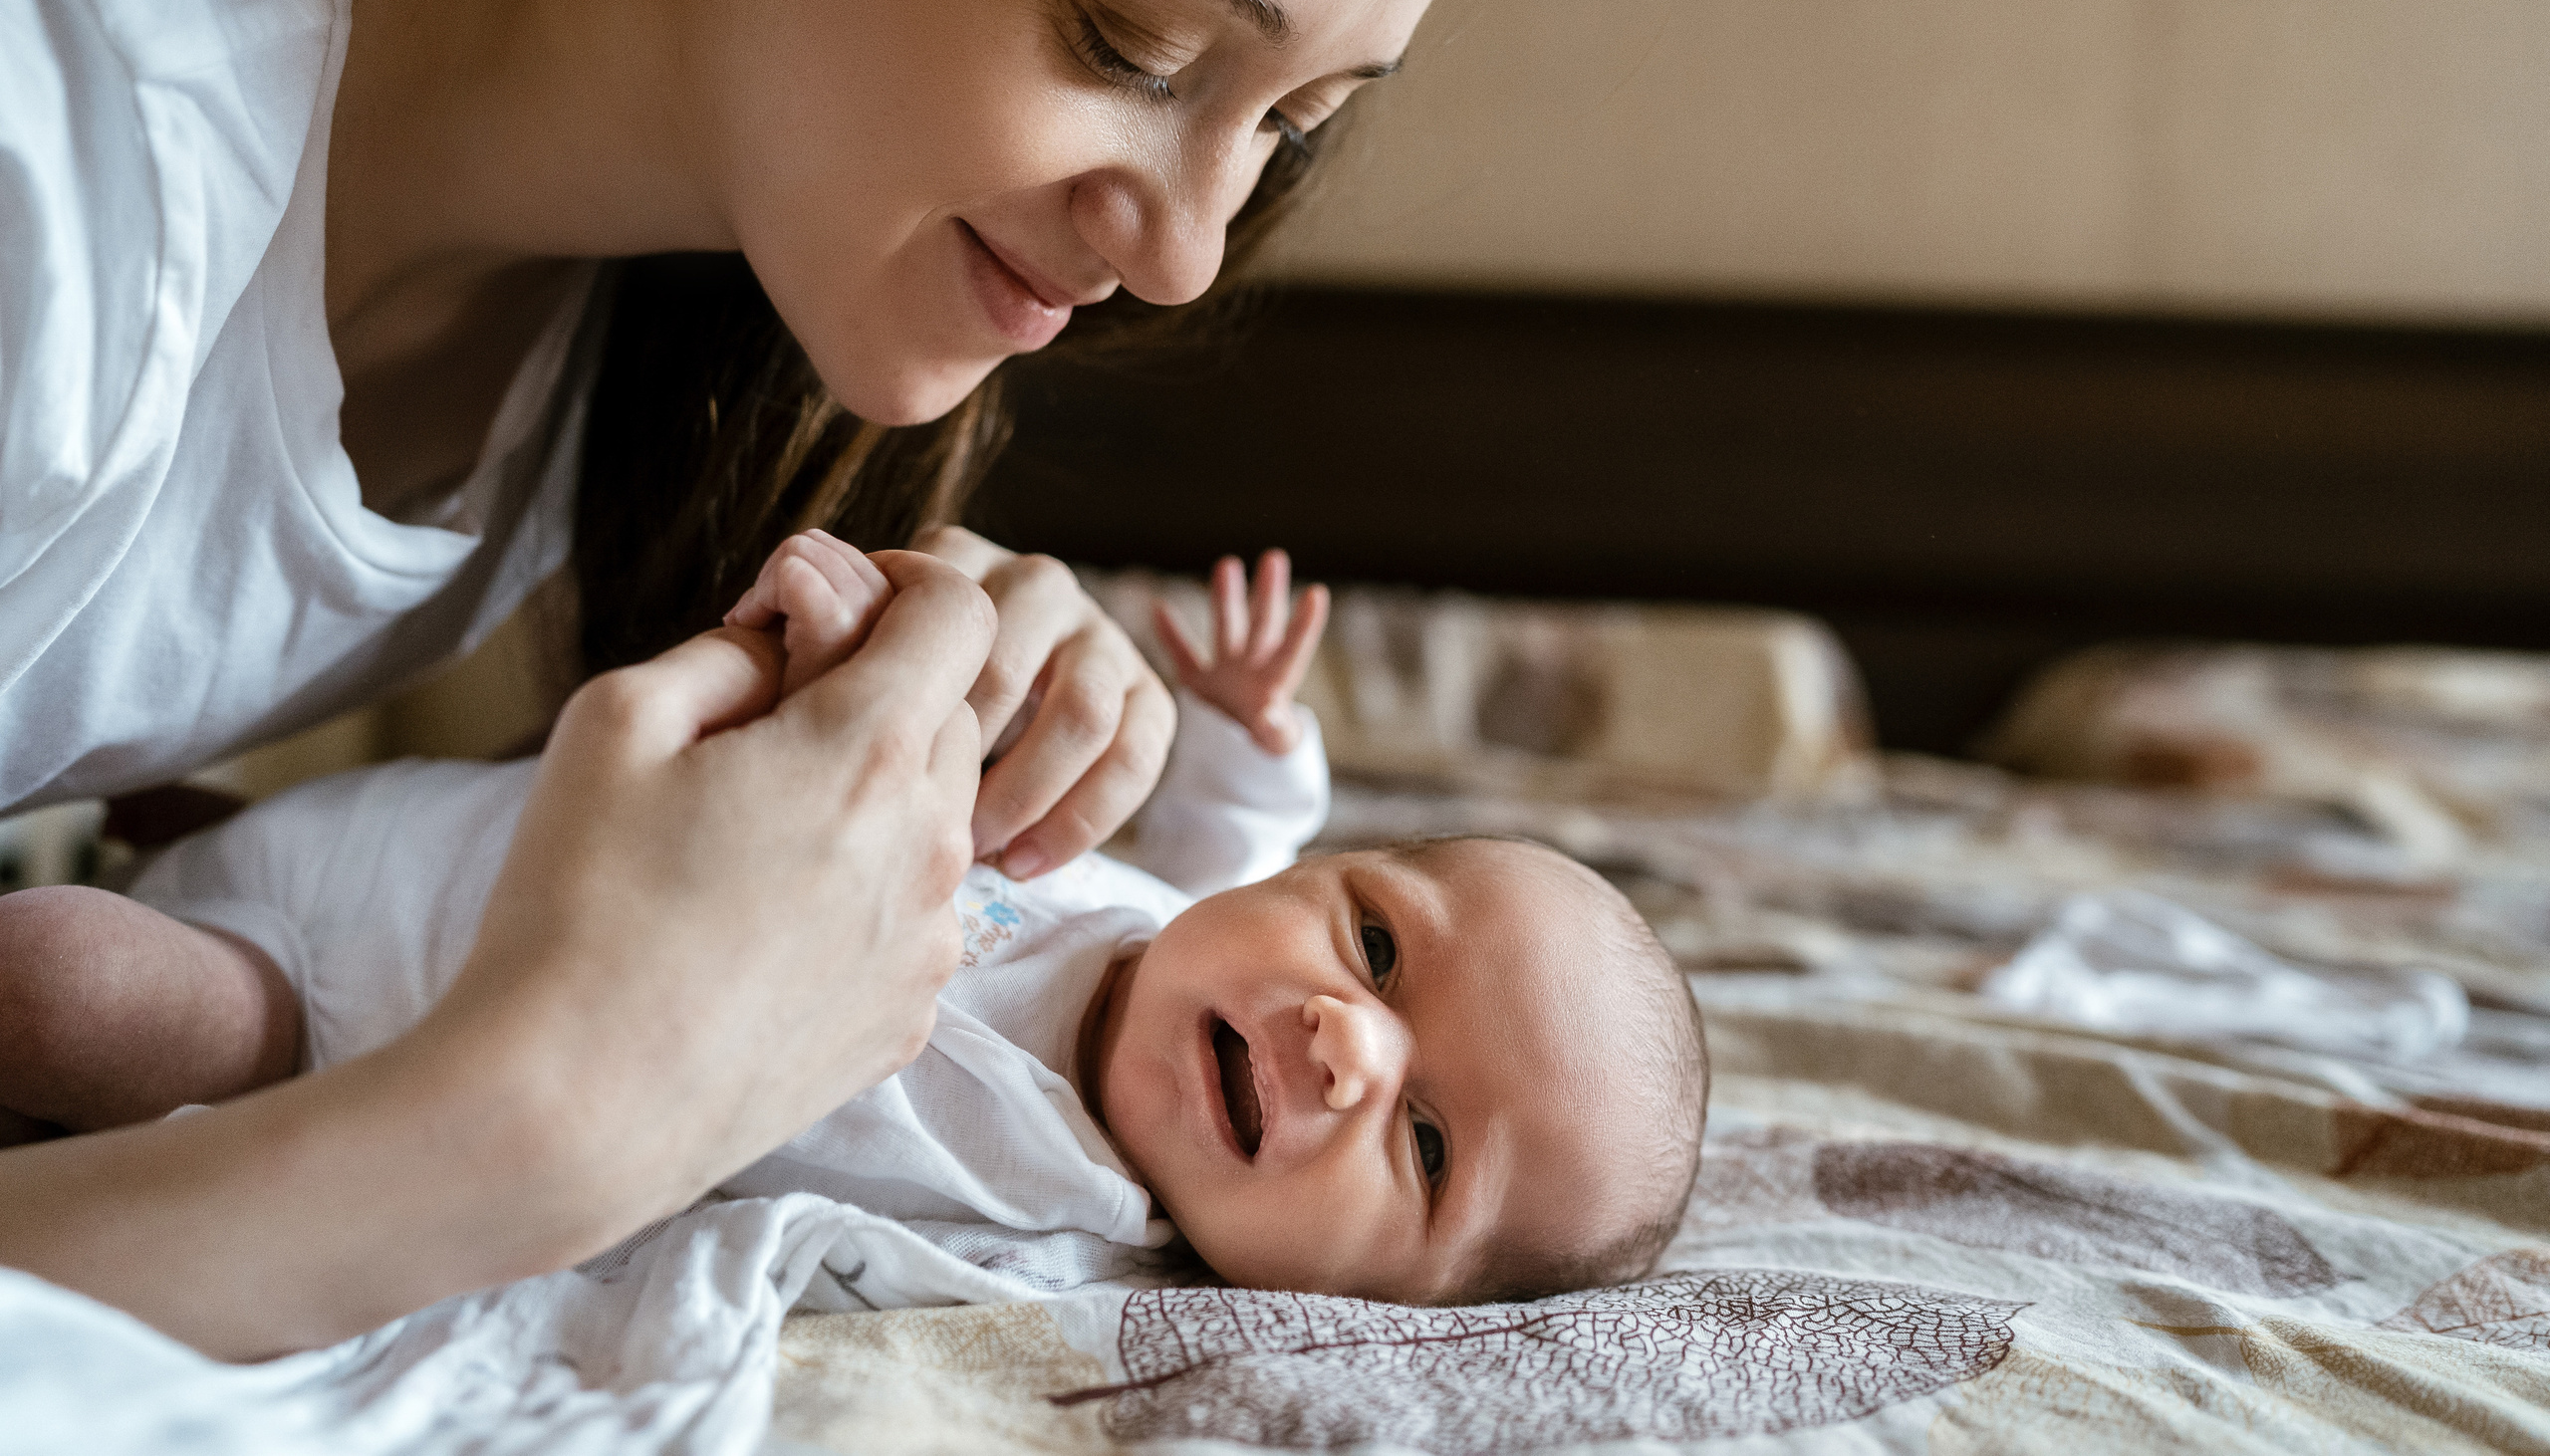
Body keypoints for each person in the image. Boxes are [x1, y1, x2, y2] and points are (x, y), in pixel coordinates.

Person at [0, 0, 1578, 1358]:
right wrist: (550, 1116)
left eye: (1292, 125)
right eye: (1131, 42)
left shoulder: (686, 306)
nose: (1184, 259)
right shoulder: (48, 160)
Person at [4, 541, 1707, 1306]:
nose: (1347, 1040)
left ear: (1379, 1308)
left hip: (339, 1026)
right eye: (1384, 949)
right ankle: (170, 821)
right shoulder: (1124, 863)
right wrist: (1261, 728)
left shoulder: (1052, 1241)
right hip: (458, 821)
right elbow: (1242, 817)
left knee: (67, 981)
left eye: (1423, 1145)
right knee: (186, 781)